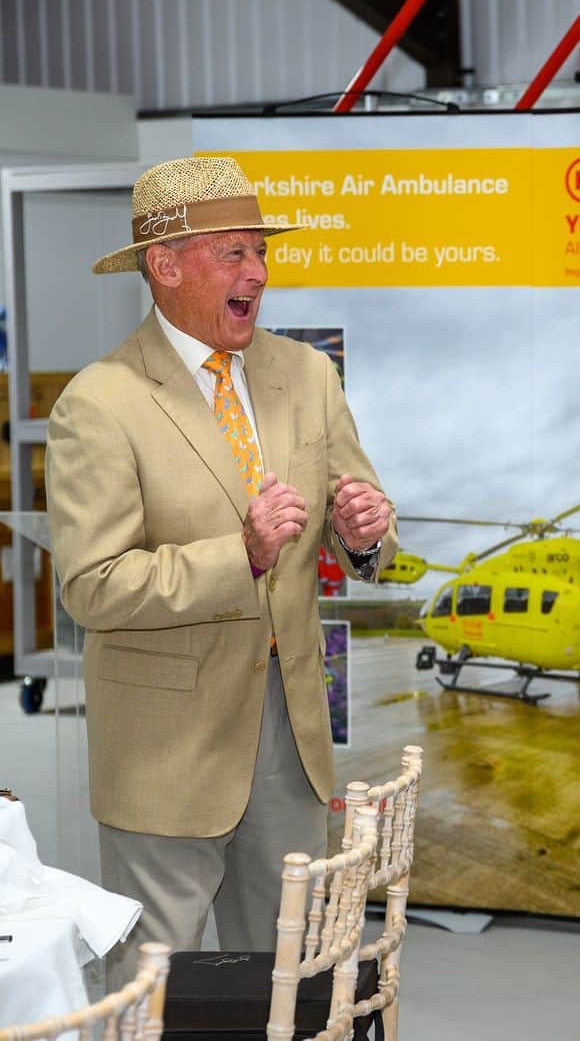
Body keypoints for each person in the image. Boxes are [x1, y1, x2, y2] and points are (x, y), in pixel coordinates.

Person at [45, 156, 397, 986]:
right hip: (165, 753)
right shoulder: (98, 403)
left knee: (289, 978)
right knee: (154, 988)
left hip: (292, 736)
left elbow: (360, 511)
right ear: (165, 266)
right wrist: (238, 555)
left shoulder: (308, 375)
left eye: (261, 253)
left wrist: (367, 530)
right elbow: (91, 587)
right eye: (234, 253)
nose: (259, 274)